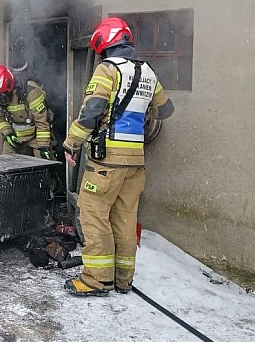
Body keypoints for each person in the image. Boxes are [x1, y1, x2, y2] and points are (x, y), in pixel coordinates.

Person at [63, 17, 175, 296]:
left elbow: (91, 113)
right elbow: (166, 109)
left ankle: (97, 280)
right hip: (136, 163)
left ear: (104, 44)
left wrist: (71, 143)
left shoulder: (107, 69)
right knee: (124, 220)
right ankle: (123, 280)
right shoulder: (148, 72)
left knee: (93, 215)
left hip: (107, 162)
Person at [0, 64, 52, 159]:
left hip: (36, 136)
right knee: (6, 165)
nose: (0, 97)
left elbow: (41, 121)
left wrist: (44, 146)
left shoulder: (32, 92)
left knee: (45, 163)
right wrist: (8, 134)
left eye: (2, 94)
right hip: (15, 136)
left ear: (9, 88)